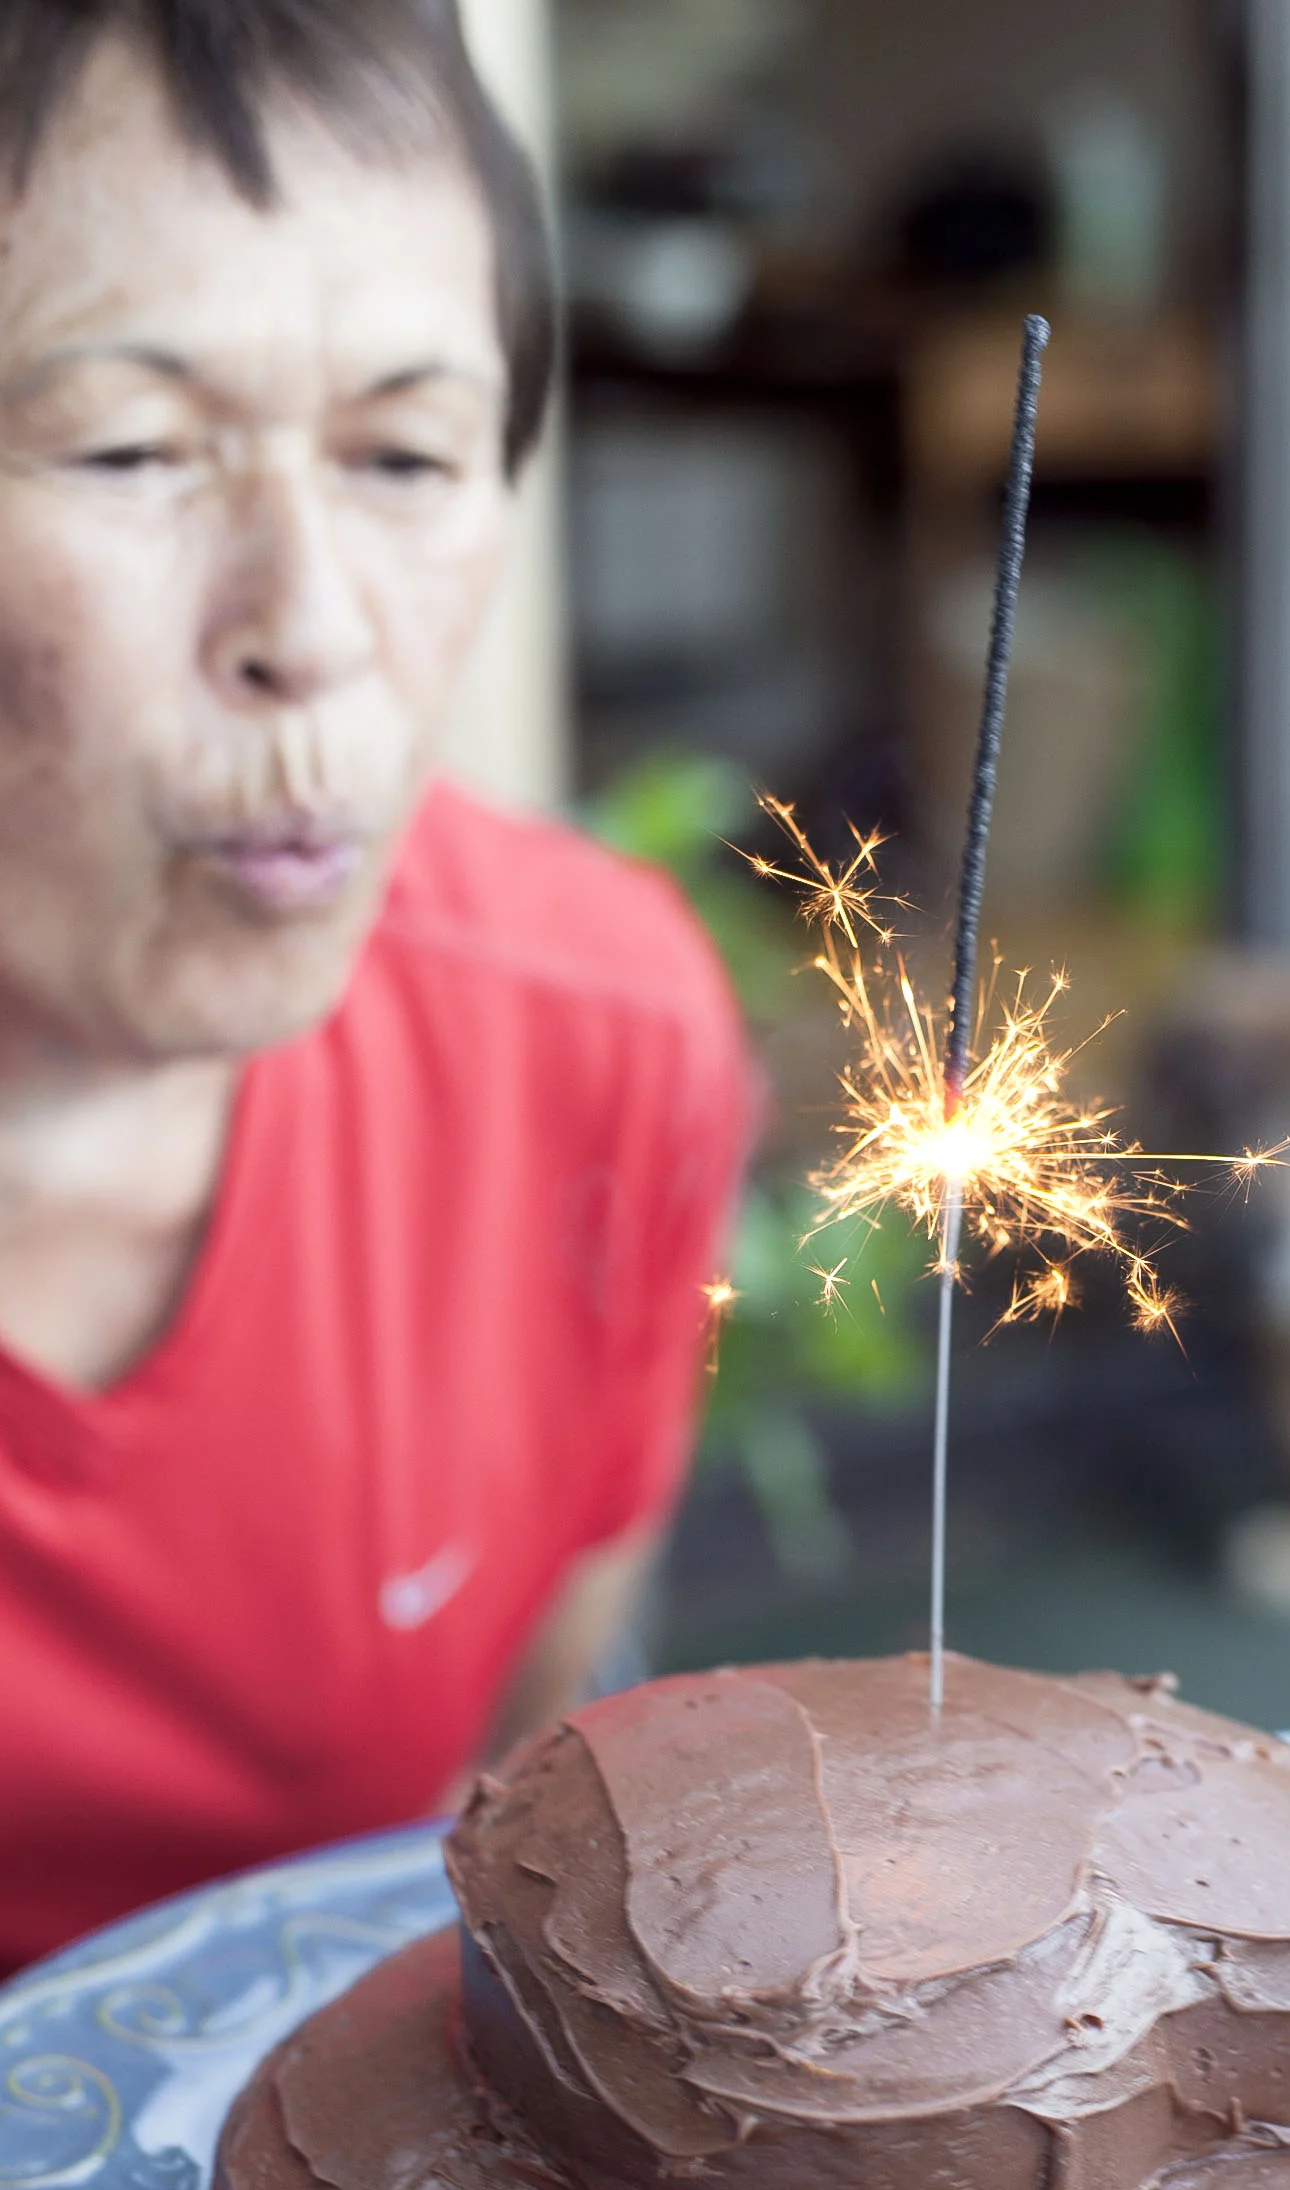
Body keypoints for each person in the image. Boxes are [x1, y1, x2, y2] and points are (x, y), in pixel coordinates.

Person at [0, 1, 755, 1970]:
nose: (312, 629)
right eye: (134, 448)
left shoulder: (586, 1048)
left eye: (406, 455)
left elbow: (484, 1842)